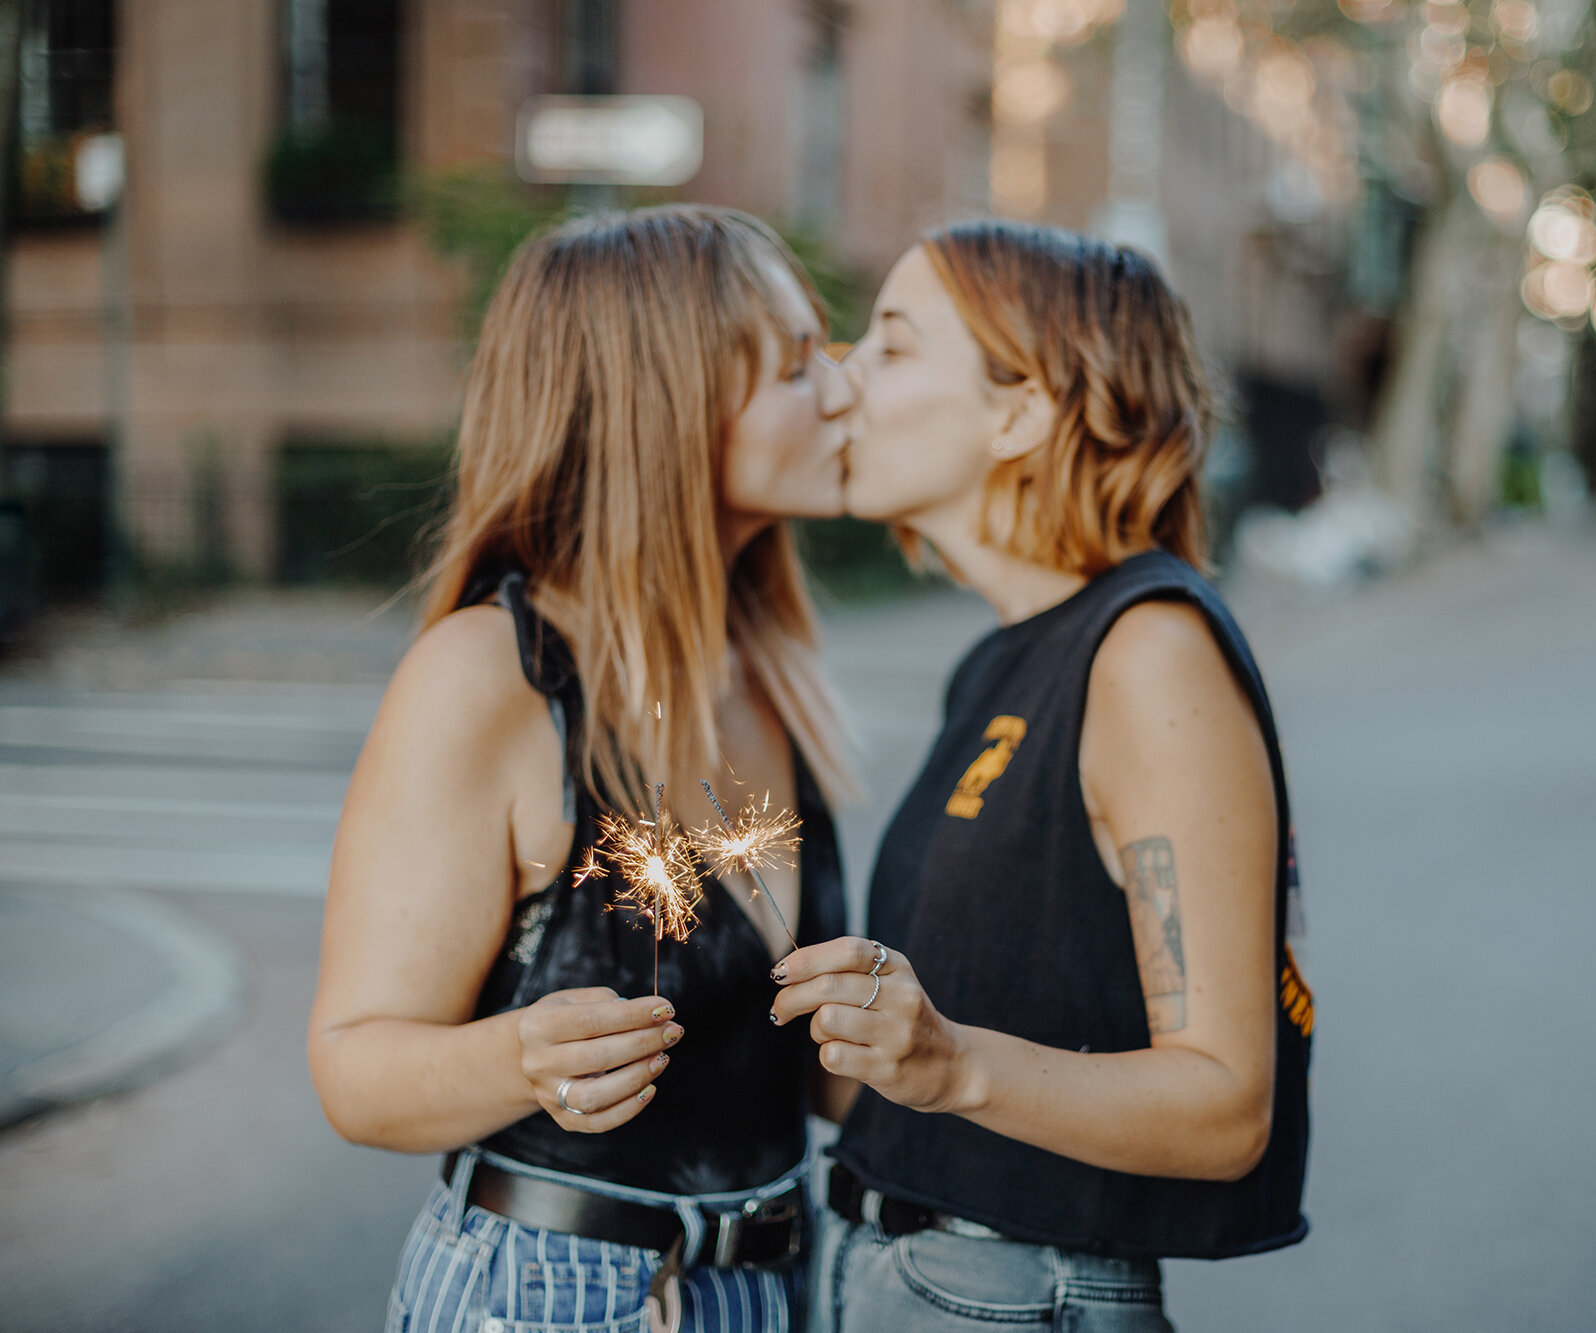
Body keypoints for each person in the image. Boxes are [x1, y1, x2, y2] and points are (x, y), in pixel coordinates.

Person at [308, 205, 857, 1333]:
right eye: (799, 365)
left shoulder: (765, 670)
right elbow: (354, 1069)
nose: (841, 393)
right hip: (560, 1295)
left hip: (771, 1282)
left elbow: (817, 1079)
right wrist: (521, 1054)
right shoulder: (490, 675)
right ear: (672, 401)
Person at [774, 220, 1313, 1331]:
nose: (839, 377)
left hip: (1016, 1296)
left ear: (1019, 411)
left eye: (891, 345)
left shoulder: (1147, 652)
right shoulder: (1002, 656)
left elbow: (1224, 1106)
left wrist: (949, 1062)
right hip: (891, 1271)